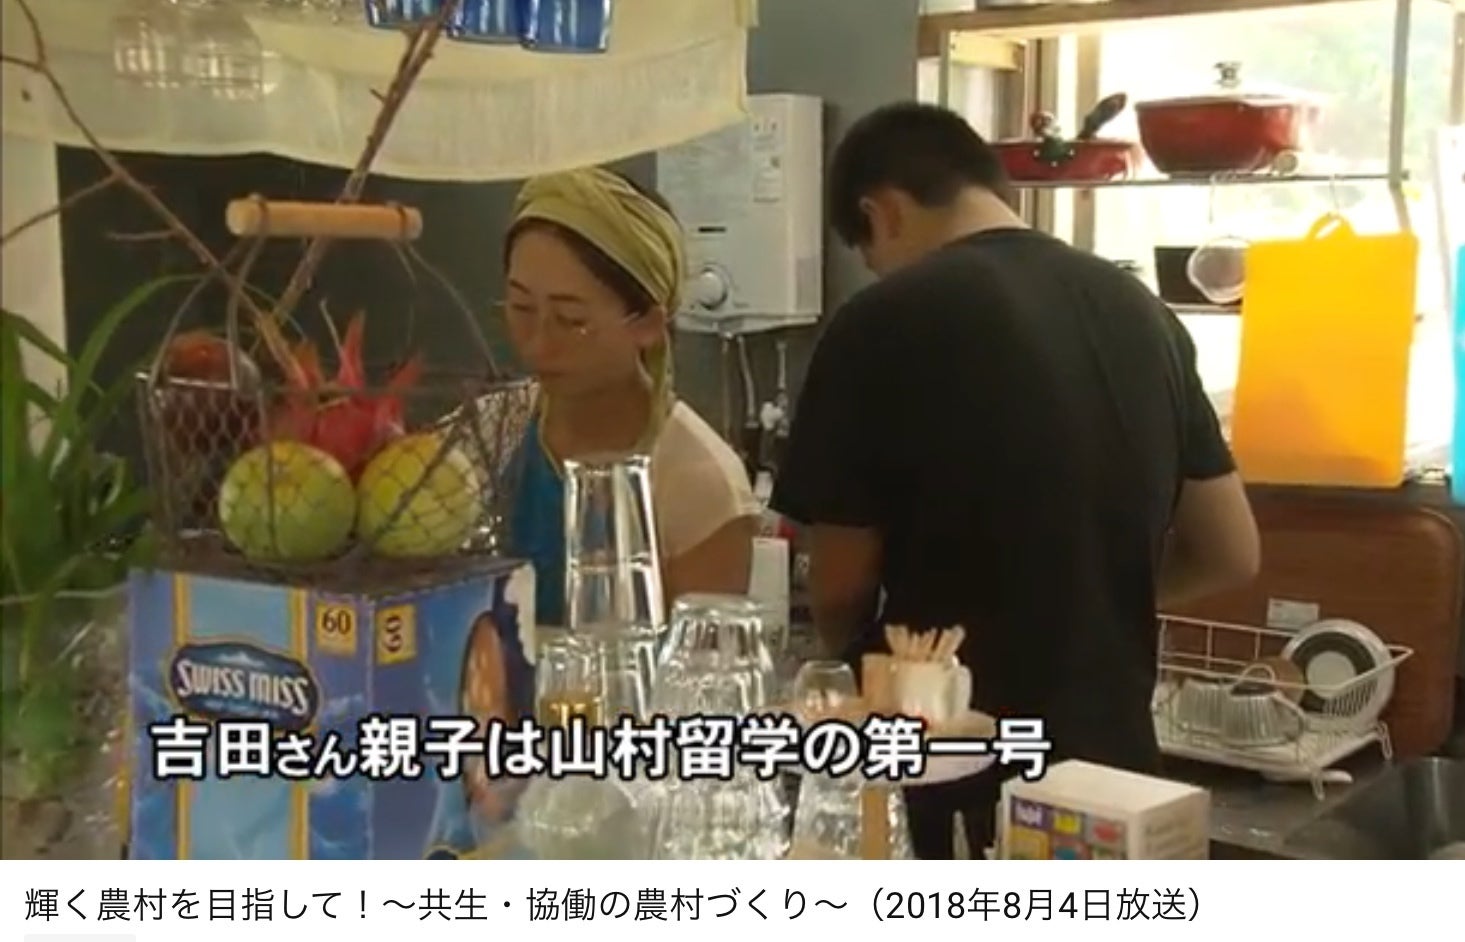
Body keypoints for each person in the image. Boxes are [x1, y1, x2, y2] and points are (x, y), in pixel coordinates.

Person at [770, 103, 1261, 859]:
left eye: (869, 253)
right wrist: (1087, 597)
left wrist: (871, 668)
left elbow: (839, 587)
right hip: (1117, 783)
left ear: (881, 213)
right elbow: (1231, 551)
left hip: (952, 778)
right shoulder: (1144, 312)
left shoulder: (881, 319)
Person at [503, 167, 760, 626]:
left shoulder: (699, 484)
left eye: (571, 320)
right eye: (521, 309)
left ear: (647, 324)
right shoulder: (489, 435)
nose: (537, 345)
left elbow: (700, 666)